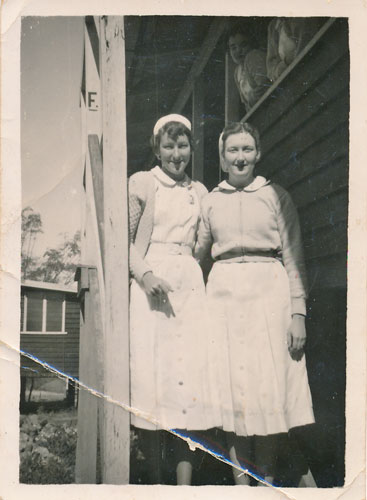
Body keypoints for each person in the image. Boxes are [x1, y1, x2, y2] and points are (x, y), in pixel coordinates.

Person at [195, 121, 315, 485]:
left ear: (258, 153)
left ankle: (266, 479)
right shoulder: (211, 201)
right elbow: (196, 254)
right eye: (233, 150)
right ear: (222, 157)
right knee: (233, 387)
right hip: (224, 299)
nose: (240, 157)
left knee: (266, 388)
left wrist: (298, 313)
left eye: (247, 149)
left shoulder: (275, 196)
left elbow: (294, 256)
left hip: (269, 294)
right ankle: (240, 485)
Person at [128, 114, 221, 485]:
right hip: (151, 287)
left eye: (183, 145)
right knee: (155, 381)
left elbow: (201, 244)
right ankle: (153, 480)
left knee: (189, 381)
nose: (176, 154)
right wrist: (146, 274)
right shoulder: (143, 184)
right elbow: (126, 240)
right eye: (169, 145)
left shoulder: (199, 192)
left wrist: (187, 271)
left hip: (188, 286)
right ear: (156, 149)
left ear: (191, 149)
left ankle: (184, 485)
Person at [227, 23, 270, 113]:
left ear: (251, 44)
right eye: (233, 48)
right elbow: (246, 103)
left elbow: (265, 85)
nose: (238, 51)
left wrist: (251, 101)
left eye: (243, 45)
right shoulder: (237, 72)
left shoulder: (254, 56)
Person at [266, 18, 325, 82]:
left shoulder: (301, 17)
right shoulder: (273, 26)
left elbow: (304, 52)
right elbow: (271, 70)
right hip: (293, 80)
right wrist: (285, 64)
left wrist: (285, 64)